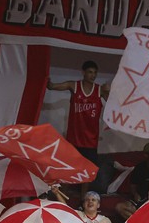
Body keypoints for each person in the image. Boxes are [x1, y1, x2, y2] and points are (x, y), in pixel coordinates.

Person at [47, 60, 110, 196]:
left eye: (95, 73)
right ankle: (63, 197)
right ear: (83, 72)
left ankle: (83, 199)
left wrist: (109, 92)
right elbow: (52, 86)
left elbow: (112, 106)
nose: (93, 75)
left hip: (90, 140)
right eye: (90, 72)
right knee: (68, 170)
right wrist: (47, 80)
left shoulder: (99, 90)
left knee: (86, 172)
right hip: (74, 138)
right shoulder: (74, 86)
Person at [115, 141, 149, 221]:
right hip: (142, 200)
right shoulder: (140, 168)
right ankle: (141, 220)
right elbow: (133, 185)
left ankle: (144, 220)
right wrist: (136, 194)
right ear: (146, 155)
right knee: (119, 207)